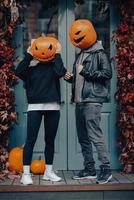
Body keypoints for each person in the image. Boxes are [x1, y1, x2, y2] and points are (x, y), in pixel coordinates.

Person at [65, 19, 112, 184]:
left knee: (94, 135)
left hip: (92, 101)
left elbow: (107, 74)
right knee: (83, 137)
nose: (76, 39)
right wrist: (71, 78)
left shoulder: (100, 53)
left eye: (79, 35)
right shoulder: (80, 55)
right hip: (80, 101)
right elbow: (81, 80)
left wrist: (85, 71)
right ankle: (90, 169)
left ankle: (106, 168)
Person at [15, 38, 67, 185]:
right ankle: (25, 174)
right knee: (30, 140)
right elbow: (18, 71)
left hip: (53, 107)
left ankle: (48, 172)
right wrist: (29, 54)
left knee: (49, 141)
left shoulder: (54, 68)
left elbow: (61, 71)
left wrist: (57, 53)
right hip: (35, 108)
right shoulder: (31, 69)